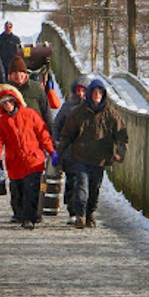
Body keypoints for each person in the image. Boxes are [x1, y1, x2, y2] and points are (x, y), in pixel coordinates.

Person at [0, 55, 53, 223]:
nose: (18, 77)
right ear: (9, 75)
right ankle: (19, 212)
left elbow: (47, 119)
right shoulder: (3, 93)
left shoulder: (36, 90)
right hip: (14, 149)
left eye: (21, 73)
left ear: (26, 73)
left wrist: (52, 146)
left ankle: (32, 214)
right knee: (17, 186)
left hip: (33, 144)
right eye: (14, 74)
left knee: (33, 185)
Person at [57, 78, 129, 229]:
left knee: (94, 188)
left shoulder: (110, 114)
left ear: (103, 95)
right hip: (81, 156)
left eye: (100, 93)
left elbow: (121, 134)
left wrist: (120, 151)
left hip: (100, 158)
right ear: (90, 94)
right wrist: (60, 152)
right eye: (95, 92)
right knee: (81, 187)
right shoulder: (79, 112)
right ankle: (80, 215)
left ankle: (90, 214)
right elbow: (67, 133)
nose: (97, 95)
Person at [0, 84, 59, 230]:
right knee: (17, 191)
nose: (7, 105)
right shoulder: (1, 122)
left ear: (15, 101)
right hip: (15, 162)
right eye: (4, 103)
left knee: (31, 191)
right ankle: (20, 214)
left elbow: (43, 134)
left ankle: (29, 218)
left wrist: (51, 151)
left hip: (34, 160)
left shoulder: (30, 114)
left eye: (9, 101)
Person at [52, 75, 91, 225]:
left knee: (84, 182)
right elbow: (57, 125)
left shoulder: (91, 108)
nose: (81, 94)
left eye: (83, 91)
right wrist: (57, 143)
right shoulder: (68, 107)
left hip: (87, 151)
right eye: (78, 91)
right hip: (69, 151)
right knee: (72, 181)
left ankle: (83, 210)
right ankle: (72, 210)